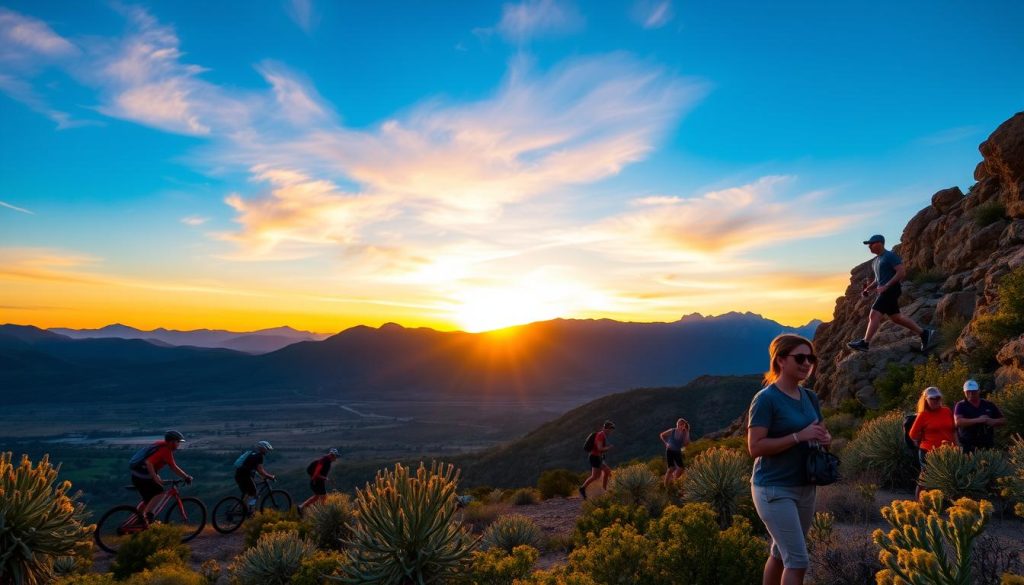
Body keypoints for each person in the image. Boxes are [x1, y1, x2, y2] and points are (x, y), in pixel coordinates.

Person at [748, 334, 831, 585]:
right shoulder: (766, 399)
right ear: (781, 361)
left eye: (811, 358)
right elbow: (755, 447)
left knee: (780, 554)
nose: (807, 363)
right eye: (800, 357)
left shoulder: (810, 397)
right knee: (798, 561)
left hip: (805, 486)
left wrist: (825, 438)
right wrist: (798, 436)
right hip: (773, 488)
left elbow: (821, 430)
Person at [847, 234, 933, 353]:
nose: (869, 247)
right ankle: (924, 333)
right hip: (886, 290)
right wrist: (867, 289)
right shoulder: (876, 261)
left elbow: (901, 272)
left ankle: (865, 343)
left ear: (880, 243)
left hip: (892, 289)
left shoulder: (890, 256)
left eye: (871, 244)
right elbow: (878, 280)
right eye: (868, 245)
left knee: (874, 314)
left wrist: (886, 286)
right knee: (896, 318)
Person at [129, 430, 193, 525]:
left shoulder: (161, 445)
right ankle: (147, 516)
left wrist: (185, 476)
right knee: (159, 491)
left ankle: (139, 517)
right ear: (171, 442)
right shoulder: (165, 450)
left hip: (137, 474)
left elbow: (173, 467)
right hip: (142, 475)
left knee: (149, 498)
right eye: (178, 442)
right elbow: (149, 463)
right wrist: (155, 478)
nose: (179, 444)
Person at [908, 386, 957, 499]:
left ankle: (939, 501)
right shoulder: (923, 415)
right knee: (926, 477)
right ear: (926, 400)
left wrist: (956, 445)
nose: (935, 401)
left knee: (945, 476)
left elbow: (953, 430)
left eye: (937, 398)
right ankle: (919, 502)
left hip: (947, 451)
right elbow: (912, 434)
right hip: (928, 451)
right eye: (932, 399)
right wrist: (921, 437)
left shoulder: (946, 411)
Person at [954, 379, 1006, 453]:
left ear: (979, 391)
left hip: (987, 445)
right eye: (968, 392)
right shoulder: (961, 405)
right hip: (968, 445)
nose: (971, 394)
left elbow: (1003, 420)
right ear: (964, 392)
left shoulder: (988, 404)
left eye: (973, 391)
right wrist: (979, 420)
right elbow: (958, 422)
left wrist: (992, 421)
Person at [234, 440, 276, 514]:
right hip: (245, 476)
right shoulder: (259, 456)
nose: (267, 451)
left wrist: (262, 476)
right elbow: (260, 470)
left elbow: (254, 469)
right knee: (254, 493)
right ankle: (244, 509)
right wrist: (270, 476)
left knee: (248, 492)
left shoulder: (253, 454)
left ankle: (245, 509)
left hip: (239, 475)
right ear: (263, 448)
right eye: (267, 449)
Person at [578, 420, 615, 500]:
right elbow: (599, 448)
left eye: (611, 429)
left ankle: (582, 488)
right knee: (607, 472)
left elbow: (599, 449)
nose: (611, 431)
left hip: (597, 457)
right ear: (605, 428)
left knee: (595, 476)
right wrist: (608, 448)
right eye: (610, 429)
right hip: (595, 457)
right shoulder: (601, 435)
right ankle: (605, 491)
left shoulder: (603, 435)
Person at [299, 448, 338, 513]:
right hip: (317, 480)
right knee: (323, 496)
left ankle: (301, 507)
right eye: (335, 456)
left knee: (317, 496)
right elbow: (316, 473)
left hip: (318, 480)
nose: (336, 458)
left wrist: (325, 478)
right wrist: (317, 479)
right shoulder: (324, 460)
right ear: (332, 455)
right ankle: (322, 512)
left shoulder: (327, 461)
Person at [660, 418, 691, 488]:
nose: (679, 426)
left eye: (681, 424)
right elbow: (662, 435)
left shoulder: (684, 433)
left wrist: (687, 432)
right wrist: (666, 443)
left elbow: (687, 443)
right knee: (671, 468)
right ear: (677, 424)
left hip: (677, 451)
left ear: (684, 425)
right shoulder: (672, 430)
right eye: (678, 424)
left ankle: (673, 481)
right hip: (670, 450)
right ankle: (666, 486)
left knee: (681, 468)